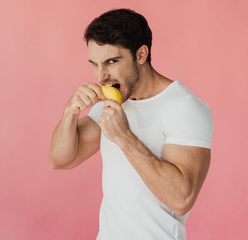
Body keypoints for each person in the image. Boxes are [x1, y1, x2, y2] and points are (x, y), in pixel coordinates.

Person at [49, 8, 213, 240]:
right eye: (94, 64)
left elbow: (182, 199)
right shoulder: (113, 101)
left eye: (111, 62)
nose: (101, 76)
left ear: (141, 54)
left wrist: (124, 137)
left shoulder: (184, 108)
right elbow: (61, 159)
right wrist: (70, 112)